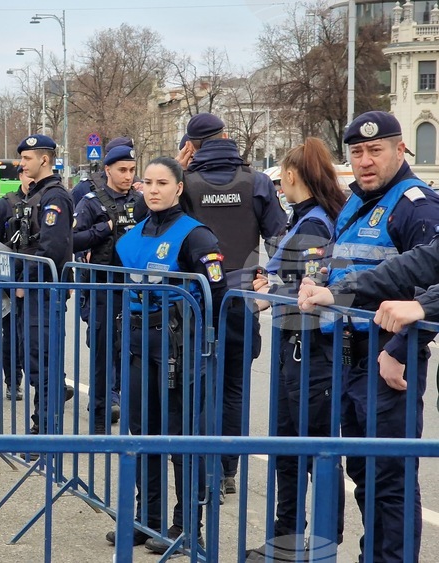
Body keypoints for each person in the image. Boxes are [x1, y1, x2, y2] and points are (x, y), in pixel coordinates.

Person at [296, 111, 439, 563]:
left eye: (375, 150)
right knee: (364, 472)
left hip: (386, 360)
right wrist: (315, 285)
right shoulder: (357, 201)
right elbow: (345, 264)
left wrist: (400, 349)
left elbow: (424, 283)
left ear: (402, 150)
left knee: (391, 479)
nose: (365, 161)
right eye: (356, 152)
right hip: (350, 357)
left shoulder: (416, 203)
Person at [107, 157, 226, 555]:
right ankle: (147, 520)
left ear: (179, 188)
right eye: (148, 183)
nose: (154, 190)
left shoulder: (197, 237)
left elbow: (217, 295)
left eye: (163, 183)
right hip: (139, 344)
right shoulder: (130, 237)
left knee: (181, 435)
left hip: (180, 348)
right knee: (143, 433)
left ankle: (187, 526)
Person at [244, 138, 347, 560]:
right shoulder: (305, 218)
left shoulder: (315, 224)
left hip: (312, 352)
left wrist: (270, 290)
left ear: (289, 175)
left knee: (316, 453)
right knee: (288, 450)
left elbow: (313, 284)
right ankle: (285, 541)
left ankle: (321, 543)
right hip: (296, 349)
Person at [178, 112, 288, 496]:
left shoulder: (185, 184)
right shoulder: (256, 182)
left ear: (191, 146)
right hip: (240, 301)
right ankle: (227, 471)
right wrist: (268, 281)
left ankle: (199, 466)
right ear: (227, 136)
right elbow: (280, 241)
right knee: (233, 387)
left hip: (192, 301)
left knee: (194, 385)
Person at [72, 143, 148, 433]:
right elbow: (73, 240)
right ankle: (102, 409)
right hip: (102, 289)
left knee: (130, 348)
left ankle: (125, 403)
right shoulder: (91, 202)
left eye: (131, 170)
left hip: (133, 288)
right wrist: (101, 231)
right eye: (122, 170)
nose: (128, 176)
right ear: (108, 170)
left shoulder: (141, 202)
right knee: (103, 348)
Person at [13, 134, 74, 439]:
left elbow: (51, 247)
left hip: (44, 290)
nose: (21, 164)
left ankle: (47, 432)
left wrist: (24, 280)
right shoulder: (36, 195)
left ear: (44, 159)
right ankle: (42, 425)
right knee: (32, 358)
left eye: (26, 158)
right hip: (34, 289)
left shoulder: (55, 197)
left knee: (44, 361)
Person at [0, 166, 32, 401]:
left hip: (38, 280)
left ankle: (53, 383)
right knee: (12, 335)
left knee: (44, 336)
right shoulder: (5, 204)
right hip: (10, 282)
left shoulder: (52, 202)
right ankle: (14, 382)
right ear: (21, 176)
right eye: (28, 176)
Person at [71, 136, 134, 206]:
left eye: (132, 169)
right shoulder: (85, 187)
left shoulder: (138, 187)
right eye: (122, 170)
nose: (128, 177)